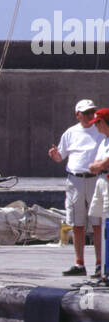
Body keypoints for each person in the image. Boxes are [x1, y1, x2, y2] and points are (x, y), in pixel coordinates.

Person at [48, 99, 102, 277]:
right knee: (77, 224)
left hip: (96, 179)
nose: (89, 116)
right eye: (85, 113)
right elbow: (60, 156)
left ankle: (100, 264)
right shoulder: (70, 132)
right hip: (75, 180)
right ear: (77, 115)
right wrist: (55, 156)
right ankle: (79, 264)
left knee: (97, 223)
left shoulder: (101, 130)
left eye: (91, 112)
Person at [87, 108, 109, 284]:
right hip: (101, 181)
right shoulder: (104, 141)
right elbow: (96, 163)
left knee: (108, 224)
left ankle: (107, 269)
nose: (96, 127)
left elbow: (103, 163)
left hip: (107, 179)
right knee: (101, 220)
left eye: (98, 123)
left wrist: (99, 166)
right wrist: (98, 166)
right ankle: (103, 268)